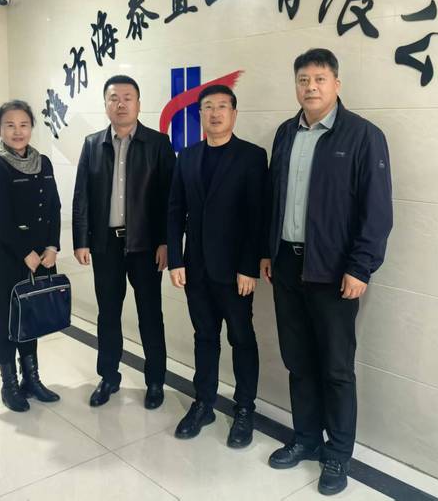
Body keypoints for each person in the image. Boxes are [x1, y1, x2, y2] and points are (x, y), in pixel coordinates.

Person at [261, 48, 393, 495]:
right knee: (298, 361)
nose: (310, 87)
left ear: (337, 84)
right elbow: (274, 198)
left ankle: (337, 454)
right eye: (303, 80)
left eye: (319, 79)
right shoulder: (285, 133)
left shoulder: (363, 136)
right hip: (286, 265)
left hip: (334, 272)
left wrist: (361, 267)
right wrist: (268, 251)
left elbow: (377, 211)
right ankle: (306, 439)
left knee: (336, 368)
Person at [167, 84, 267, 447]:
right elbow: (175, 209)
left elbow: (258, 216)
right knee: (204, 338)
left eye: (222, 106)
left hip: (236, 272)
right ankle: (204, 403)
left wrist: (249, 267)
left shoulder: (252, 156)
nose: (215, 113)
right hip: (196, 269)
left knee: (242, 339)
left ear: (234, 114)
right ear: (200, 115)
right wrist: (176, 260)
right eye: (208, 107)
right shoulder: (187, 156)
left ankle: (244, 409)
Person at [72, 75, 175, 409]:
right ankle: (108, 377)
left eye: (128, 98)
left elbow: (170, 199)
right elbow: (82, 195)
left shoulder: (158, 144)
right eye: (114, 98)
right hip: (106, 245)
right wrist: (81, 239)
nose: (121, 104)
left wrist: (166, 242)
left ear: (139, 104)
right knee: (108, 314)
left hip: (146, 245)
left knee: (150, 314)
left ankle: (155, 381)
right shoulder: (92, 144)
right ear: (105, 105)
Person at [0, 100, 62, 412]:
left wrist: (52, 246)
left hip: (42, 255)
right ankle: (10, 385)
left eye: (23, 125)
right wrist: (25, 252)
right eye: (10, 125)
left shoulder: (44, 163)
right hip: (8, 255)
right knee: (8, 320)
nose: (18, 131)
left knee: (31, 316)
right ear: (0, 129)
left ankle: (32, 379)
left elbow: (54, 207)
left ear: (31, 127)